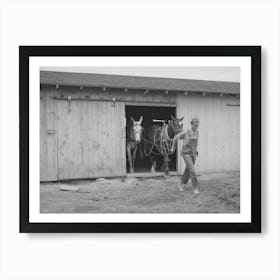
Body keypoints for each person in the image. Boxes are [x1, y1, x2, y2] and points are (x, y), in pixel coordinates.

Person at [170, 117, 200, 194]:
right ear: (191, 124)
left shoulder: (197, 133)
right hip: (186, 153)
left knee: (188, 170)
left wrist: (196, 151)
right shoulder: (185, 132)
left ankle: (181, 184)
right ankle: (195, 188)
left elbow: (195, 143)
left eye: (197, 125)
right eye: (195, 125)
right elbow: (175, 138)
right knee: (192, 171)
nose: (196, 126)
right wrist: (173, 148)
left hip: (193, 154)